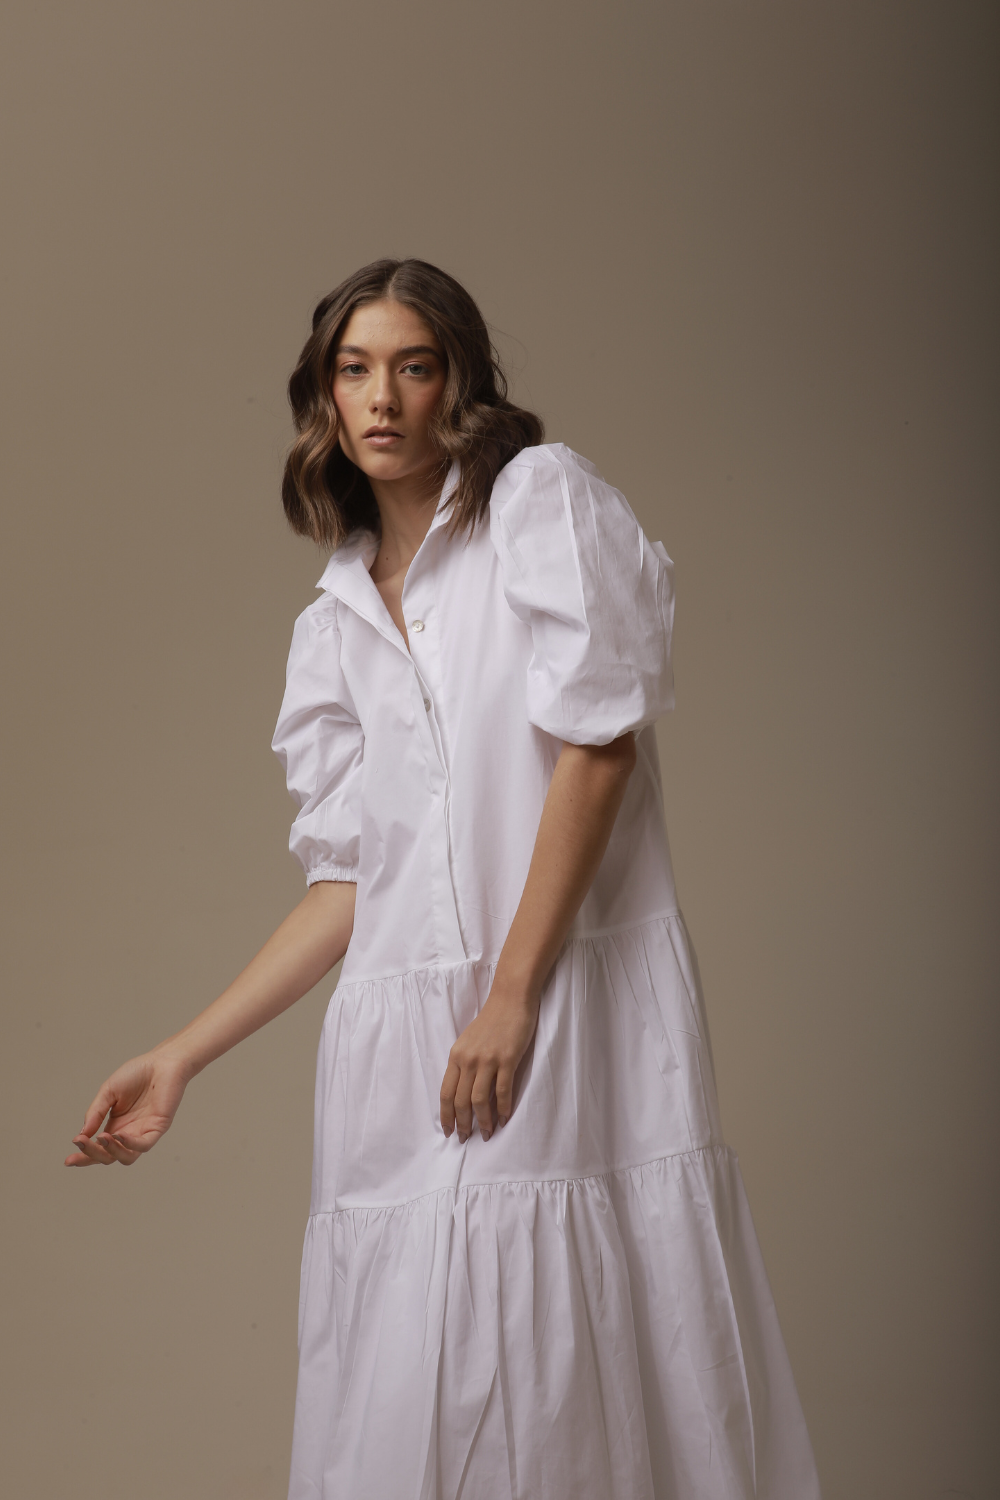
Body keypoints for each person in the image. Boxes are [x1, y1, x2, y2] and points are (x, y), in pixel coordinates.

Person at [66, 258, 821, 1499]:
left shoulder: (539, 504)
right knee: (413, 1390)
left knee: (556, 1365)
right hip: (398, 1055)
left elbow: (598, 749)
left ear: (458, 382)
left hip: (550, 1004)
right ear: (323, 396)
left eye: (413, 367)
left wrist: (512, 995)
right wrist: (182, 1056)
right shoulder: (331, 622)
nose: (382, 399)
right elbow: (351, 883)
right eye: (353, 370)